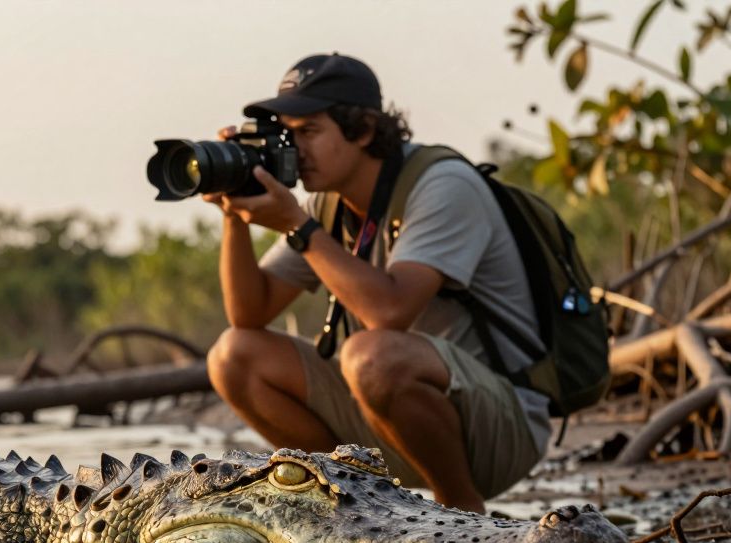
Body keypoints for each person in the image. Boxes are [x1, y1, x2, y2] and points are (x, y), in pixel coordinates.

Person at [204, 53, 551, 514]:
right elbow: (249, 313)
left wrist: (298, 227)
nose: (295, 149)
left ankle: (462, 514)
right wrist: (236, 216)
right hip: (389, 422)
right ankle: (350, 507)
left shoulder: (442, 184)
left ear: (363, 129)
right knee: (235, 355)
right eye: (290, 133)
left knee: (373, 354)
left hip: (499, 428)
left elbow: (390, 312)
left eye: (309, 131)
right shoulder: (328, 204)